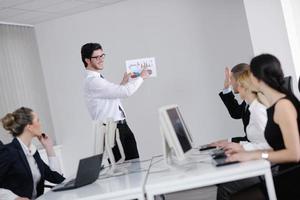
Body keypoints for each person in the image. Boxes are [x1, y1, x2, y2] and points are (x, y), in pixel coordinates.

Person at [226, 54, 300, 199]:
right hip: (284, 171)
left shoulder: (283, 106)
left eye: (250, 73)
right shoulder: (275, 104)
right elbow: (280, 145)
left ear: (258, 78)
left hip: (292, 177)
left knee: (234, 195)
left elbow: (294, 154)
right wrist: (245, 151)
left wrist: (255, 154)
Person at [81, 43, 150, 161]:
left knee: (134, 165)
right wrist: (141, 77)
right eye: (97, 57)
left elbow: (113, 98)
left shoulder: (98, 79)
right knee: (123, 170)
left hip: (121, 127)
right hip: (112, 130)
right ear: (87, 60)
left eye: (102, 56)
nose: (101, 59)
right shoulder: (93, 81)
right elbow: (126, 92)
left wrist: (123, 83)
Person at [217, 69, 272, 200]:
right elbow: (236, 113)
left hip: (267, 165)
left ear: (244, 86)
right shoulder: (251, 106)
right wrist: (237, 145)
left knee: (225, 183)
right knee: (225, 176)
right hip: (260, 159)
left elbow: (272, 144)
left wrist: (242, 148)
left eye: (236, 83)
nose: (235, 86)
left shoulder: (258, 110)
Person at [0, 107, 65, 199]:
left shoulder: (32, 152)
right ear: (29, 126)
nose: (40, 124)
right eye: (37, 121)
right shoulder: (9, 152)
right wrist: (14, 198)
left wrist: (49, 147)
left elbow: (57, 178)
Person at [212, 64, 251, 147]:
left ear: (240, 80)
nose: (231, 83)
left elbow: (254, 141)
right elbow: (236, 113)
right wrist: (226, 87)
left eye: (231, 79)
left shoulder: (256, 105)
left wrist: (229, 142)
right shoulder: (247, 102)